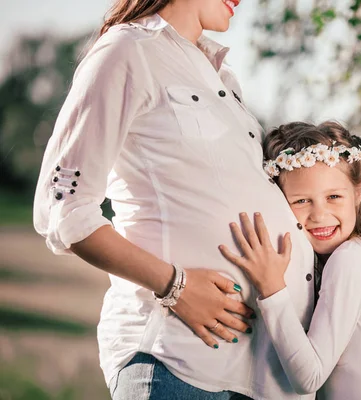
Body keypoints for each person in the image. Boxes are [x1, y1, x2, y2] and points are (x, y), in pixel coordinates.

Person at [32, 1, 316, 399]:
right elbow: (65, 208)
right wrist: (175, 286)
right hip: (175, 365)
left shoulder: (224, 77)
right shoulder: (125, 51)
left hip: (260, 374)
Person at [219, 121, 361, 399]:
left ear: (358, 195)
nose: (319, 215)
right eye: (301, 201)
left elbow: (309, 376)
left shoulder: (354, 257)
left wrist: (271, 286)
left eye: (334, 196)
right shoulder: (353, 257)